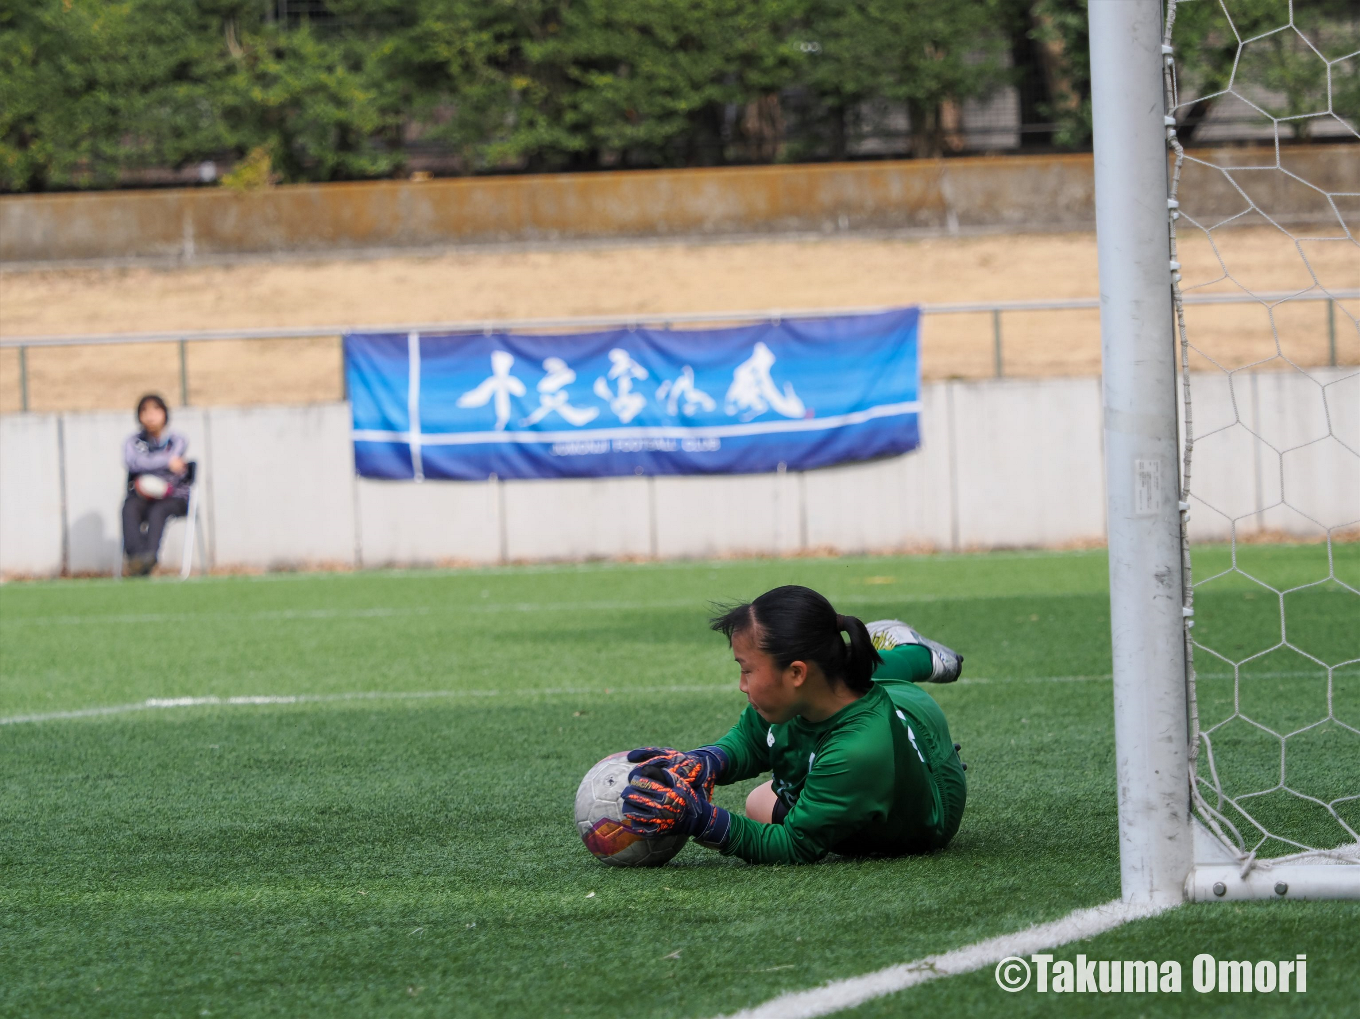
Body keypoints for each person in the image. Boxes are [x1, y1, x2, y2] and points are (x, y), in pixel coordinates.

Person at [620, 585, 967, 864]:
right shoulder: (791, 697)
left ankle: (914, 651)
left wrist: (703, 821)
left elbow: (796, 844)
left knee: (759, 803)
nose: (742, 684)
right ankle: (896, 655)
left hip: (932, 779)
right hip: (855, 711)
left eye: (747, 669)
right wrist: (708, 761)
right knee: (852, 669)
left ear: (796, 673)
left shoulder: (858, 750)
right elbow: (751, 739)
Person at [121, 394, 190, 576]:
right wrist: (167, 462)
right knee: (129, 508)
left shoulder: (177, 439)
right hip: (143, 496)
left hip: (174, 496)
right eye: (145, 411)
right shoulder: (133, 442)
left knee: (158, 511)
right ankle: (137, 559)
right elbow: (134, 463)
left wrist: (149, 462)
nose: (150, 416)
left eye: (155, 410)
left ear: (165, 414)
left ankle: (149, 557)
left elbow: (144, 462)